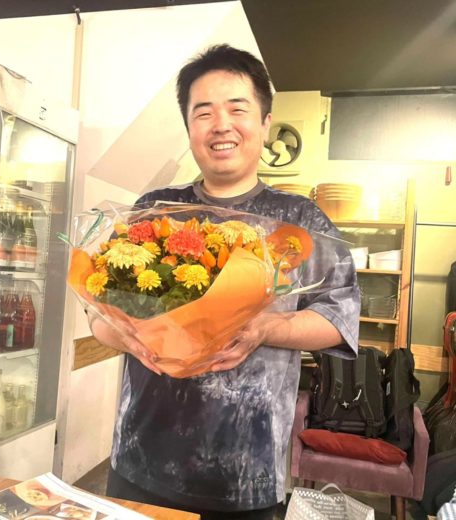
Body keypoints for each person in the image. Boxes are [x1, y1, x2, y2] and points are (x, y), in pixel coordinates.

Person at [89, 44, 360, 519]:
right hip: (140, 458)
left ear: (265, 122)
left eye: (237, 109)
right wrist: (127, 335)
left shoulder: (299, 220)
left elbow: (339, 320)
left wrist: (264, 329)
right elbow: (97, 312)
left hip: (246, 473)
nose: (220, 125)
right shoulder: (155, 210)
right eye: (203, 112)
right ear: (189, 128)